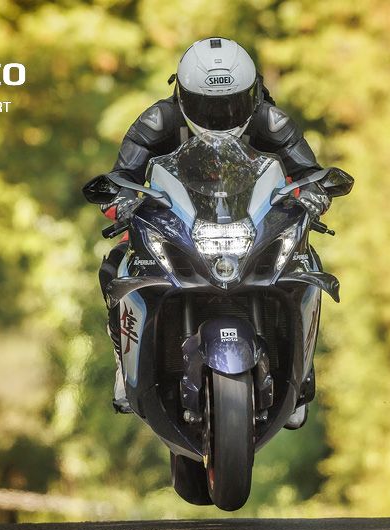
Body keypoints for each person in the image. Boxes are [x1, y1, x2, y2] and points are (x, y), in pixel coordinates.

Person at [97, 37, 329, 416]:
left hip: (252, 223)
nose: (221, 116)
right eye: (209, 106)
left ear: (252, 94)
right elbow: (122, 175)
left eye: (232, 104)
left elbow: (309, 171)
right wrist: (118, 199)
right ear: (184, 97)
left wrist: (316, 192)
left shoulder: (270, 119)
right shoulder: (158, 121)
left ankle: (301, 368)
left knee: (306, 263)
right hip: (182, 224)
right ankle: (124, 367)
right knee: (117, 264)